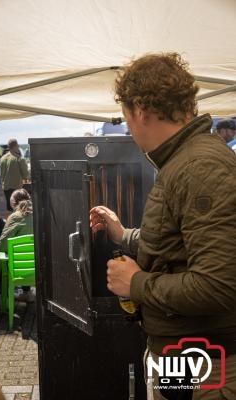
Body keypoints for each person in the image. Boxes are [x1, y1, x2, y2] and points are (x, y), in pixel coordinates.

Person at [90, 53, 236, 399]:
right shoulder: (184, 160)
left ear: (140, 110)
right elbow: (179, 245)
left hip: (205, 363)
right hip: (185, 356)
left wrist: (136, 283)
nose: (128, 129)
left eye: (126, 119)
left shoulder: (201, 167)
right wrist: (123, 234)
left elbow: (218, 285)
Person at [0, 188, 34, 302]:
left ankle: (3, 298)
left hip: (18, 269)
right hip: (38, 267)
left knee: (0, 256)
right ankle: (27, 293)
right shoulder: (39, 213)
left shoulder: (15, 217)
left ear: (13, 203)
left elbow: (2, 246)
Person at [0, 138, 29, 212]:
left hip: (6, 188)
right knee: (19, 210)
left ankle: (9, 223)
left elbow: (1, 175)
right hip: (17, 189)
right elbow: (26, 175)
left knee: (9, 209)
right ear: (16, 146)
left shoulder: (2, 158)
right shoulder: (19, 159)